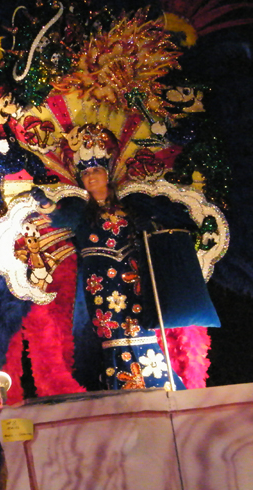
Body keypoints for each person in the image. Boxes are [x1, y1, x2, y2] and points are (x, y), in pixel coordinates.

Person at [31, 124, 219, 391]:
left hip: (133, 275)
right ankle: (120, 381)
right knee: (112, 329)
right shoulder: (81, 212)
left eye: (96, 170)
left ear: (107, 174)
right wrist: (44, 203)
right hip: (100, 282)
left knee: (141, 325)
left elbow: (162, 226)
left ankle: (158, 379)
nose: (92, 177)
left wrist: (150, 226)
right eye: (86, 174)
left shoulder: (131, 207)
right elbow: (58, 214)